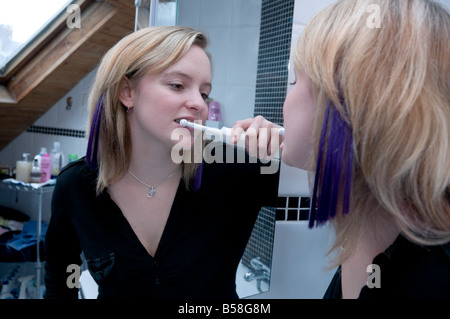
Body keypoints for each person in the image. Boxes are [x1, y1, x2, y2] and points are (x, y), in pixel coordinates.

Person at [44, 26, 281, 299]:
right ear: (127, 92)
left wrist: (290, 149)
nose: (199, 104)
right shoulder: (75, 186)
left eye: (204, 93)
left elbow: (331, 195)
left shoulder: (236, 170)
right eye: (178, 85)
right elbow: (60, 281)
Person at [281, 0, 450, 299]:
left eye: (295, 79)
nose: (287, 99)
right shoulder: (370, 229)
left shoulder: (433, 281)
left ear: (349, 101)